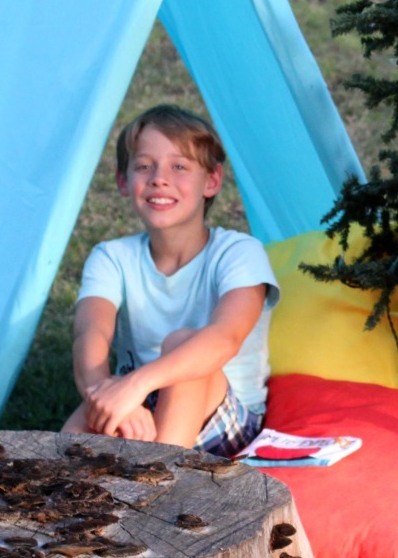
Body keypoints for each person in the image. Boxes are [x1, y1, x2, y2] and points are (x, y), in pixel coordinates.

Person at [62, 104, 277, 456]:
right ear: (122, 180)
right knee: (80, 426)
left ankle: (159, 486)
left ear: (212, 181)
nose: (159, 178)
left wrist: (133, 385)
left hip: (227, 418)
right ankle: (71, 500)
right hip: (140, 403)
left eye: (179, 166)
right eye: (144, 166)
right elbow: (91, 334)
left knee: (183, 344)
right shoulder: (111, 257)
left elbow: (226, 337)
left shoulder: (239, 252)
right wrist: (107, 394)